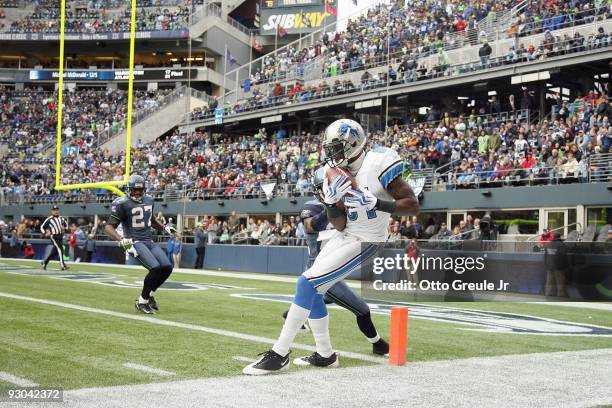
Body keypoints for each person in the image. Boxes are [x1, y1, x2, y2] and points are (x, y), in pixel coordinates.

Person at [243, 119, 419, 375]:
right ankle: (325, 355)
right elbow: (339, 224)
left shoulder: (378, 162)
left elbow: (412, 205)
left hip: (368, 240)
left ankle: (280, 353)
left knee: (306, 283)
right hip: (345, 235)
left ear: (355, 143)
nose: (332, 153)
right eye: (330, 148)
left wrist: (377, 203)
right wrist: (329, 202)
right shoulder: (333, 173)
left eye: (338, 147)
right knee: (312, 288)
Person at [281, 168, 390, 355]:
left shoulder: (346, 204)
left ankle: (298, 315)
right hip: (319, 269)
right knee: (361, 310)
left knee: (322, 300)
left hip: (334, 268)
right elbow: (310, 226)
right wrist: (330, 206)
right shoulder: (313, 206)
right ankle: (377, 344)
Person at [104, 175, 177, 314]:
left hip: (148, 240)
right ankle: (141, 302)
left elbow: (151, 220)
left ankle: (149, 295)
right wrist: (121, 239)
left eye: (140, 190)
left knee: (167, 267)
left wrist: (164, 227)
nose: (137, 193)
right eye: (134, 190)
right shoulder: (122, 203)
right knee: (155, 268)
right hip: (134, 241)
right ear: (128, 189)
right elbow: (108, 227)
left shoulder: (149, 200)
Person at [40, 205, 69, 270]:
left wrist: (65, 229)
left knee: (54, 252)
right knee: (60, 249)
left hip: (60, 236)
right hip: (54, 236)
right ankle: (63, 265)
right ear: (52, 211)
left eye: (57, 210)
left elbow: (66, 226)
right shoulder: (49, 219)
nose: (56, 211)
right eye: (54, 210)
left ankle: (45, 262)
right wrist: (45, 233)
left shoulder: (62, 218)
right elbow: (42, 227)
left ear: (58, 211)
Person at [544, 232, 567, 297]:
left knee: (549, 281)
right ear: (560, 237)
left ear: (553, 237)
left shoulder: (548, 244)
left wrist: (546, 264)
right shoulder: (562, 244)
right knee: (560, 281)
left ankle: (548, 293)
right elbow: (563, 256)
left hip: (549, 266)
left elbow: (545, 256)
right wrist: (566, 265)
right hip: (559, 266)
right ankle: (561, 294)